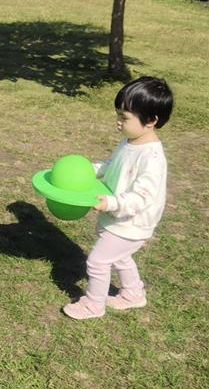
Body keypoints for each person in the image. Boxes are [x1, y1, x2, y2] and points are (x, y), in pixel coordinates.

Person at [63, 76, 173, 320]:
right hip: (120, 217)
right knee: (120, 257)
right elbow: (114, 165)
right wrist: (89, 170)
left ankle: (93, 305)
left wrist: (111, 203)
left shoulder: (152, 158)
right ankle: (133, 294)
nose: (118, 122)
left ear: (151, 121)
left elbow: (142, 197)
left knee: (97, 262)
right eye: (118, 115)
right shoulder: (129, 142)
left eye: (124, 117)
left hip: (132, 221)